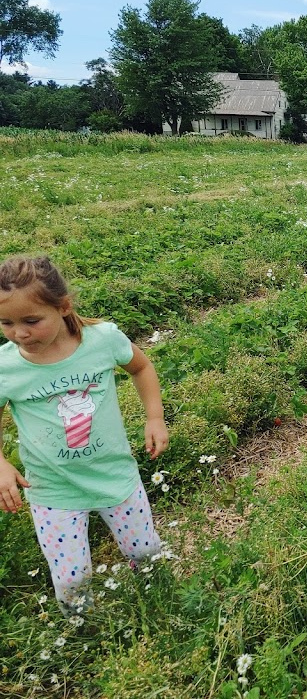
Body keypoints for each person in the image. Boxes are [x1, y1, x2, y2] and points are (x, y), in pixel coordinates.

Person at [0, 255, 168, 615]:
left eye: (31, 320)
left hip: (115, 475)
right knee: (72, 580)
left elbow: (141, 366)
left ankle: (159, 604)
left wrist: (155, 417)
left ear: (63, 307)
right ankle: (81, 632)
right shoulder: (6, 366)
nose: (20, 333)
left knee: (146, 554)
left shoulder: (102, 340)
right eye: (6, 323)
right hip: (53, 489)